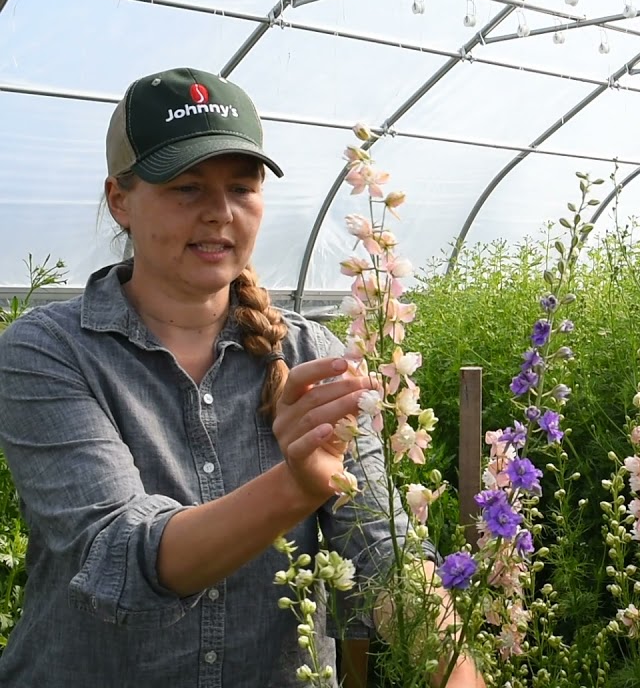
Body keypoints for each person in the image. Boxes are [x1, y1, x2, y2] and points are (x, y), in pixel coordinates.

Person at [0, 67, 484, 687]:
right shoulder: (49, 352)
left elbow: (382, 553)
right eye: (186, 187)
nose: (219, 213)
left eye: (241, 186)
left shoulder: (310, 351)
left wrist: (458, 670)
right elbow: (124, 554)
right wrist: (294, 486)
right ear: (120, 199)